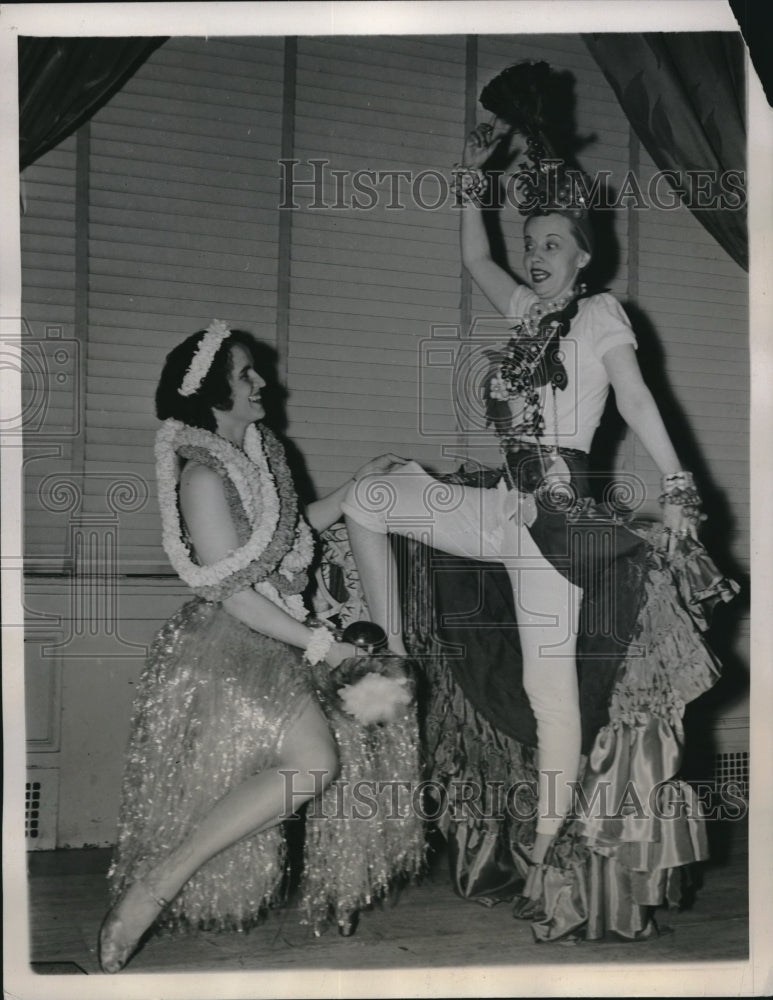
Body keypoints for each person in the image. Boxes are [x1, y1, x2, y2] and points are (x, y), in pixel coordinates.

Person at [341, 68, 737, 940]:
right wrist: (472, 179)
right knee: (371, 497)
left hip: (555, 529)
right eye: (533, 239)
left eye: (553, 240)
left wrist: (678, 484)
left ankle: (553, 856)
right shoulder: (524, 314)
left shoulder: (600, 315)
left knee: (546, 694)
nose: (536, 251)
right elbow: (473, 256)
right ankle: (392, 658)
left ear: (584, 251)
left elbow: (634, 401)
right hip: (503, 506)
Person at [98, 322, 422, 973]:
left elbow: (292, 537)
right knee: (315, 761)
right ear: (215, 391)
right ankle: (153, 889)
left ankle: (339, 887)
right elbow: (236, 594)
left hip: (288, 637)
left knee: (367, 730)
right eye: (247, 374)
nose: (261, 382)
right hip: (237, 645)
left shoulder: (258, 457)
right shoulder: (201, 478)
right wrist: (323, 648)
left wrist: (359, 485)